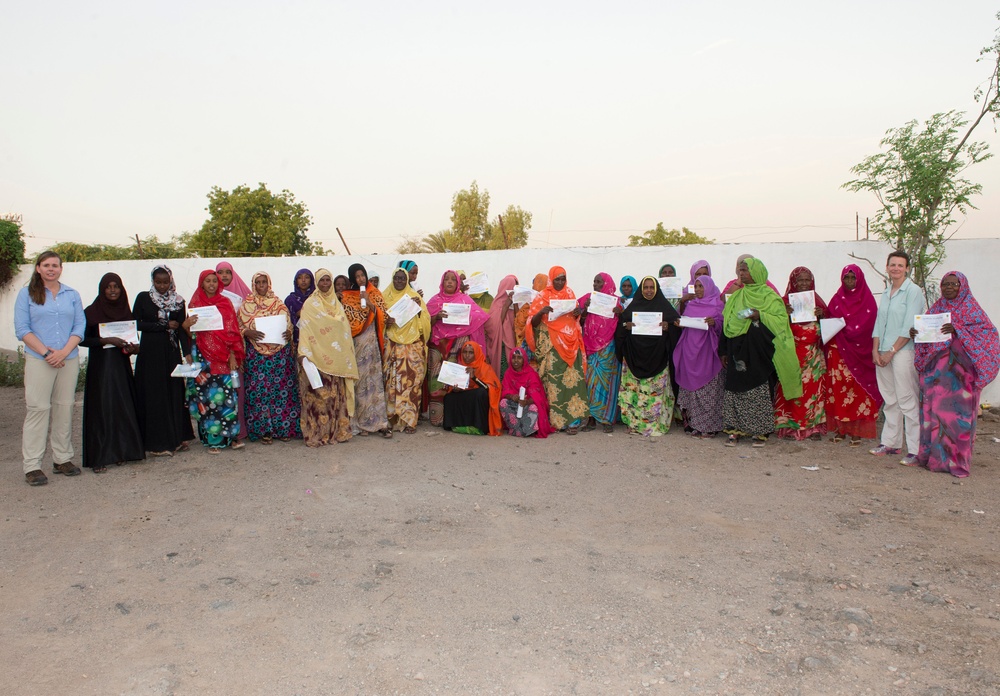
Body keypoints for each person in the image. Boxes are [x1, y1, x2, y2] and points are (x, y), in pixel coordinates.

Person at [911, 272, 999, 477]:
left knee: (957, 420)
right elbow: (928, 340)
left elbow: (989, 337)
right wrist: (916, 335)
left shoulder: (973, 311)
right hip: (938, 380)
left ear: (963, 286)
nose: (949, 287)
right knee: (936, 418)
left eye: (953, 284)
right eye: (945, 284)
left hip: (960, 381)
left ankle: (957, 463)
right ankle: (935, 460)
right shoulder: (937, 310)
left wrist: (958, 329)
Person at [14, 251, 85, 486]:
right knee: (38, 409)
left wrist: (63, 352)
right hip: (39, 359)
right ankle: (32, 465)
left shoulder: (72, 295)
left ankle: (61, 459)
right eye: (46, 265)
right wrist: (46, 353)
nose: (51, 268)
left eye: (55, 265)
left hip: (68, 358)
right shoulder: (26, 295)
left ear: (61, 269)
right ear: (38, 268)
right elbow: (22, 329)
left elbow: (79, 326)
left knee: (64, 408)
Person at [719, 258, 801, 447]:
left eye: (745, 270)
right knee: (734, 389)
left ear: (756, 272)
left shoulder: (770, 297)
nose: (742, 274)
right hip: (736, 351)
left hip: (760, 351)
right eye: (740, 271)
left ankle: (759, 432)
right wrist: (723, 350)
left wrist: (760, 315)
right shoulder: (737, 297)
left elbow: (780, 321)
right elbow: (727, 322)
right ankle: (734, 430)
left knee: (758, 389)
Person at [80, 273, 145, 472]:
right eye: (108, 287)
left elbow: (132, 341)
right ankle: (100, 457)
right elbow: (82, 339)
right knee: (102, 409)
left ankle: (122, 452)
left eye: (116, 286)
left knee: (122, 408)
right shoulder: (91, 312)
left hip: (121, 368)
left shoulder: (126, 311)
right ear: (102, 289)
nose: (113, 290)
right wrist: (107, 340)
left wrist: (135, 348)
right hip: (101, 370)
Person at [870, 251, 926, 465]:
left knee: (907, 399)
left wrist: (891, 351)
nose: (895, 268)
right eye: (892, 264)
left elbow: (909, 326)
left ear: (907, 268)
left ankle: (915, 449)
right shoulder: (886, 292)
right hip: (882, 352)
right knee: (890, 399)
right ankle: (890, 443)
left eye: (900, 265)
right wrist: (876, 351)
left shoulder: (913, 291)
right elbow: (878, 323)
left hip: (902, 351)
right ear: (887, 267)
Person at [132, 265, 194, 457]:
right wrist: (162, 325)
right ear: (152, 281)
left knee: (174, 393)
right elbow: (135, 323)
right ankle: (157, 443)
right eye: (158, 282)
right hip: (150, 354)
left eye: (165, 282)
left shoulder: (178, 300)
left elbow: (182, 328)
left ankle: (176, 437)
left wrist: (187, 353)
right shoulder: (144, 298)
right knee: (155, 395)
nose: (161, 286)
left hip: (171, 353)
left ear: (171, 281)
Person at [185, 269, 246, 454]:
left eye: (214, 281)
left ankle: (231, 436)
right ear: (201, 283)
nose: (211, 284)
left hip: (224, 358)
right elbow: (192, 334)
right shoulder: (195, 303)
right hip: (203, 359)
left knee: (227, 397)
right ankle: (213, 440)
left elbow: (232, 332)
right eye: (207, 281)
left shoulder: (225, 303)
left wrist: (234, 355)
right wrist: (185, 326)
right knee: (208, 398)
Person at [296, 269, 358, 446]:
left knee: (334, 399)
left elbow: (344, 331)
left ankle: (337, 432)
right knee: (318, 400)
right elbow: (306, 330)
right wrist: (304, 354)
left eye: (327, 280)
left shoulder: (336, 304)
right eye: (322, 280)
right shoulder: (310, 304)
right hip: (315, 359)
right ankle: (318, 434)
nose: (325, 284)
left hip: (335, 361)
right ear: (317, 282)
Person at [237, 272, 300, 444]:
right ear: (253, 284)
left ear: (269, 283)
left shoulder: (278, 304)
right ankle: (264, 430)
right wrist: (246, 332)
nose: (262, 285)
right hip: (256, 356)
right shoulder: (246, 305)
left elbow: (289, 325)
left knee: (282, 391)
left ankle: (284, 428)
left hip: (280, 355)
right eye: (258, 282)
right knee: (259, 392)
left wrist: (288, 333)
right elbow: (239, 326)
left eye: (264, 281)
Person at [824, 265, 882, 446]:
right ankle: (841, 430)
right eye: (846, 278)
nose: (849, 282)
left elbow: (870, 327)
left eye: (853, 278)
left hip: (860, 353)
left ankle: (857, 431)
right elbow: (828, 322)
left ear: (860, 279)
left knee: (857, 392)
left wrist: (849, 330)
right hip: (838, 353)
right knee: (839, 391)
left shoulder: (868, 301)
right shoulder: (836, 299)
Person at [526, 266, 589, 434]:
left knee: (572, 383)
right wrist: (541, 312)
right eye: (557, 279)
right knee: (554, 384)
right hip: (552, 347)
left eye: (563, 279)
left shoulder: (570, 294)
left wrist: (578, 313)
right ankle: (556, 421)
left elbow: (575, 318)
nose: (560, 282)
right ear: (551, 279)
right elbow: (533, 323)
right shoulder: (542, 296)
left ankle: (573, 421)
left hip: (570, 344)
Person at [615, 276, 681, 437]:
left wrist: (668, 327)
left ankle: (655, 424)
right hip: (634, 357)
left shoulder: (664, 307)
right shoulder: (633, 308)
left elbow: (677, 328)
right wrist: (626, 326)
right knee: (636, 392)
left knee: (654, 394)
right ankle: (634, 423)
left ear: (657, 289)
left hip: (658, 357)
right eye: (646, 288)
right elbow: (620, 329)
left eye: (652, 287)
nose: (649, 291)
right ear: (641, 290)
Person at [425, 270, 490, 426]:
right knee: (436, 381)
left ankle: (453, 417)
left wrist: (466, 318)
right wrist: (436, 317)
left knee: (454, 381)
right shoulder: (434, 301)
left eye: (453, 280)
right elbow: (425, 323)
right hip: (438, 346)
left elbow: (479, 316)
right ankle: (437, 417)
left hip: (457, 346)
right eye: (446, 279)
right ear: (442, 282)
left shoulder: (464, 299)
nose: (449, 282)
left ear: (458, 284)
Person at [773, 267, 829, 441]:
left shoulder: (818, 302)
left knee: (813, 391)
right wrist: (785, 314)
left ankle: (813, 428)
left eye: (807, 280)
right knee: (791, 388)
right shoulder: (784, 303)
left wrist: (822, 316)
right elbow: (775, 326)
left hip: (813, 356)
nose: (804, 284)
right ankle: (789, 427)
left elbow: (829, 329)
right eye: (800, 280)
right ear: (793, 282)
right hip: (792, 355)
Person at [340, 263, 392, 438]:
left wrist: (370, 303)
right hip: (355, 346)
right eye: (357, 276)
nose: (361, 279)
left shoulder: (374, 293)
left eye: (363, 275)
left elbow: (384, 316)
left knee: (374, 382)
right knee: (359, 383)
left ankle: (378, 422)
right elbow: (345, 321)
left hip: (371, 345)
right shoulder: (346, 296)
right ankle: (360, 423)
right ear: (352, 278)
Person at [673, 275, 725, 438]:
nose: (698, 290)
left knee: (708, 391)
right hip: (690, 352)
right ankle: (696, 425)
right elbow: (686, 323)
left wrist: (714, 323)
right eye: (696, 287)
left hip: (708, 353)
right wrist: (679, 323)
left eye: (701, 286)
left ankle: (710, 427)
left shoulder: (718, 305)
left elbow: (723, 326)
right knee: (693, 392)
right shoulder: (691, 305)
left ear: (708, 287)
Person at [381, 267, 431, 433]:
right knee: (392, 383)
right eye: (397, 278)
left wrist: (418, 312)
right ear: (392, 279)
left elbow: (426, 323)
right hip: (393, 347)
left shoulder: (415, 297)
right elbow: (377, 321)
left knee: (411, 384)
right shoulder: (384, 297)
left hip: (412, 347)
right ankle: (392, 419)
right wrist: (385, 323)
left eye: (403, 279)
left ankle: (409, 421)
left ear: (407, 280)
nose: (400, 281)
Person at [578, 272, 622, 433]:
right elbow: (576, 315)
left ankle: (607, 419)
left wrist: (620, 312)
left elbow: (625, 321)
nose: (595, 285)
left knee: (608, 383)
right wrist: (585, 309)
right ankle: (590, 418)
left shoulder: (616, 301)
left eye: (599, 282)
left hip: (608, 347)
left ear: (607, 283)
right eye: (594, 281)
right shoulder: (589, 298)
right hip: (590, 346)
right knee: (590, 382)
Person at [215, 261, 251, 440]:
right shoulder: (212, 295)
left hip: (238, 349)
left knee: (239, 388)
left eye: (227, 272)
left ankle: (240, 429)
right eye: (220, 272)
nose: (224, 276)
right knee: (220, 389)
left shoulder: (244, 296)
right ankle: (221, 430)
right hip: (216, 349)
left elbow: (250, 320)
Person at [442, 341, 502, 436]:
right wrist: (455, 389)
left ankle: (479, 426)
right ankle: (455, 425)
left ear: (477, 353)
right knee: (449, 397)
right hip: (466, 394)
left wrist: (474, 378)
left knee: (480, 393)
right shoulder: (460, 367)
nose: (467, 355)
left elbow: (489, 389)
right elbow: (454, 387)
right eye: (465, 352)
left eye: (471, 352)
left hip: (479, 397)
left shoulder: (485, 368)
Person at [499, 347, 554, 438]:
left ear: (524, 359)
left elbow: (537, 395)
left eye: (519, 358)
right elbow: (505, 391)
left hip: (527, 404)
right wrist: (513, 397)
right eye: (513, 357)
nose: (516, 360)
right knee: (503, 403)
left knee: (533, 408)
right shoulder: (508, 373)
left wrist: (526, 402)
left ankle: (527, 430)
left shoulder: (531, 374)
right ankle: (515, 428)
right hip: (515, 403)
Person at [484, 274, 519, 379]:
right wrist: (505, 307)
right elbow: (493, 328)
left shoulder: (516, 304)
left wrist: (516, 303)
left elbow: (519, 324)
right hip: (500, 348)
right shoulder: (496, 305)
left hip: (513, 347)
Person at [514, 273, 548, 368]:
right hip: (537, 348)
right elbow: (519, 321)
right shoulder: (528, 305)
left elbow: (521, 323)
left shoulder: (546, 305)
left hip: (536, 347)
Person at [283, 268, 315, 348]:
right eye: (300, 278)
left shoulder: (317, 298)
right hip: (295, 340)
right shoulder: (290, 300)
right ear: (296, 281)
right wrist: (296, 314)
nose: (303, 280)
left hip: (315, 339)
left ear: (311, 281)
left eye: (307, 277)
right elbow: (285, 320)